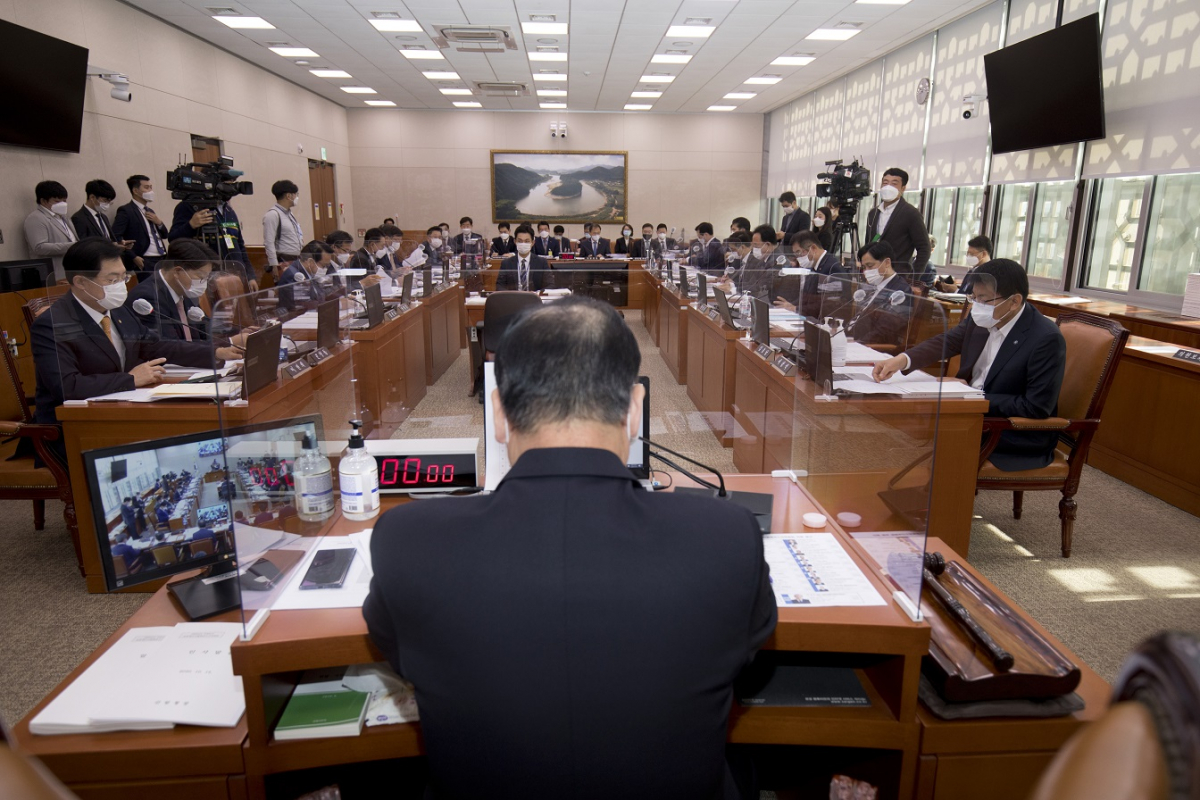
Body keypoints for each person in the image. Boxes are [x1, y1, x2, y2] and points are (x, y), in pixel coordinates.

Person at [363, 296, 775, 799]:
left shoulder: (407, 540)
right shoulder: (727, 535)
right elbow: (748, 650)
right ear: (636, 410)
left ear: (497, 412)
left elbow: (400, 649)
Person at [873, 259, 1066, 471]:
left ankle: (938, 495)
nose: (976, 305)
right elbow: (947, 341)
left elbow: (1035, 406)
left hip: (1009, 428)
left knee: (925, 427)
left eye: (983, 299)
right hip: (972, 412)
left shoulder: (1044, 338)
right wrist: (902, 360)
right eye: (973, 297)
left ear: (1014, 301)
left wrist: (971, 395)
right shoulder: (985, 317)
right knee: (904, 410)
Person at [30, 239, 241, 429]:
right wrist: (130, 379)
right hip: (73, 427)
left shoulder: (118, 310)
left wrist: (216, 352)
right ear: (80, 282)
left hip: (123, 409)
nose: (121, 286)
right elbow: (67, 386)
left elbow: (156, 346)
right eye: (112, 280)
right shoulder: (51, 324)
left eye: (124, 277)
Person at [126, 239, 218, 342]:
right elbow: (170, 346)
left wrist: (232, 337)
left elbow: (204, 327)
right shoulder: (147, 297)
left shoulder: (184, 290)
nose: (203, 282)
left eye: (206, 277)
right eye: (200, 276)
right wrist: (217, 351)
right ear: (177, 271)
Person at [168, 190, 253, 288]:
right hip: (205, 278)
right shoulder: (189, 207)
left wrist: (250, 275)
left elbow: (240, 246)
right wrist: (190, 225)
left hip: (235, 276)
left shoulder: (229, 211)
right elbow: (173, 240)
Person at [865, 168, 932, 286]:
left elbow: (924, 248)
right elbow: (871, 242)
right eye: (885, 183)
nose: (888, 186)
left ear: (903, 188)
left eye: (894, 183)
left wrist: (913, 279)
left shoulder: (910, 213)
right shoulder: (873, 213)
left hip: (898, 276)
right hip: (874, 275)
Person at [844, 241, 913, 350]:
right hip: (851, 340)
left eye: (870, 266)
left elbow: (884, 331)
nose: (866, 272)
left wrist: (856, 345)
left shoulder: (900, 291)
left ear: (887, 263)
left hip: (870, 348)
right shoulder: (872, 286)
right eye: (864, 267)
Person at [111, 175, 168, 283]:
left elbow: (165, 235)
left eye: (151, 187)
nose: (150, 191)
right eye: (146, 188)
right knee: (150, 291)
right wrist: (133, 256)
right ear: (136, 190)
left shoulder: (150, 211)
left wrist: (159, 222)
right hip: (145, 259)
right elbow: (116, 236)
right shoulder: (126, 211)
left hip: (162, 258)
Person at [23, 181, 78, 281]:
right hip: (55, 275)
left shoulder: (64, 216)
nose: (63, 204)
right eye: (57, 201)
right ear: (43, 201)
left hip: (72, 271)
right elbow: (39, 247)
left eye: (64, 201)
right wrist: (73, 246)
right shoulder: (36, 218)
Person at [277, 240, 334, 312]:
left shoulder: (308, 271)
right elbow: (303, 305)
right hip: (296, 318)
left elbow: (320, 295)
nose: (326, 269)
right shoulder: (295, 276)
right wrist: (337, 305)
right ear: (310, 262)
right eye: (324, 265)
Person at [263, 179, 305, 274]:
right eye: (295, 194)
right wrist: (274, 265)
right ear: (288, 196)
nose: (296, 197)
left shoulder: (289, 214)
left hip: (296, 258)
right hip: (283, 260)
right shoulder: (273, 215)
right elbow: (269, 242)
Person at [495, 225, 549, 292]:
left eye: (527, 241)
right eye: (520, 241)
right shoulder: (506, 263)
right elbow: (499, 285)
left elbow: (550, 285)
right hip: (513, 300)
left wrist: (538, 293)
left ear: (533, 242)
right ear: (515, 242)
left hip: (535, 299)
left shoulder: (541, 262)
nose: (523, 244)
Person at [71, 180, 124, 246]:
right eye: (105, 200)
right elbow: (84, 246)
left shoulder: (103, 217)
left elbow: (109, 239)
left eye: (109, 202)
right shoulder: (79, 218)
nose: (107, 204)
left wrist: (119, 244)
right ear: (92, 197)